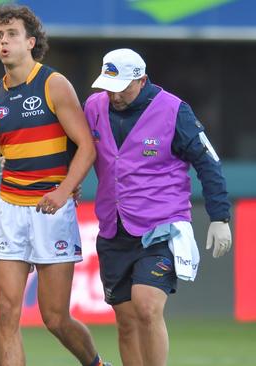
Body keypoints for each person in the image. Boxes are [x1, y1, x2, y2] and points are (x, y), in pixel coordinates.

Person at [0, 5, 109, 366]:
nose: (4, 41)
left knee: (55, 318)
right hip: (8, 211)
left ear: (30, 42)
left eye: (11, 34)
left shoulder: (53, 84)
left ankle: (96, 363)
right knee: (7, 314)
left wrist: (62, 190)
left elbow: (87, 147)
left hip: (50, 211)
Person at [84, 48, 232, 366]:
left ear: (142, 80)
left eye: (122, 87)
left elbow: (208, 162)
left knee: (147, 306)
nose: (114, 95)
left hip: (161, 225)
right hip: (113, 227)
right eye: (109, 87)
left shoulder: (175, 110)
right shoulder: (94, 107)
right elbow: (75, 148)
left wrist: (220, 217)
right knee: (125, 321)